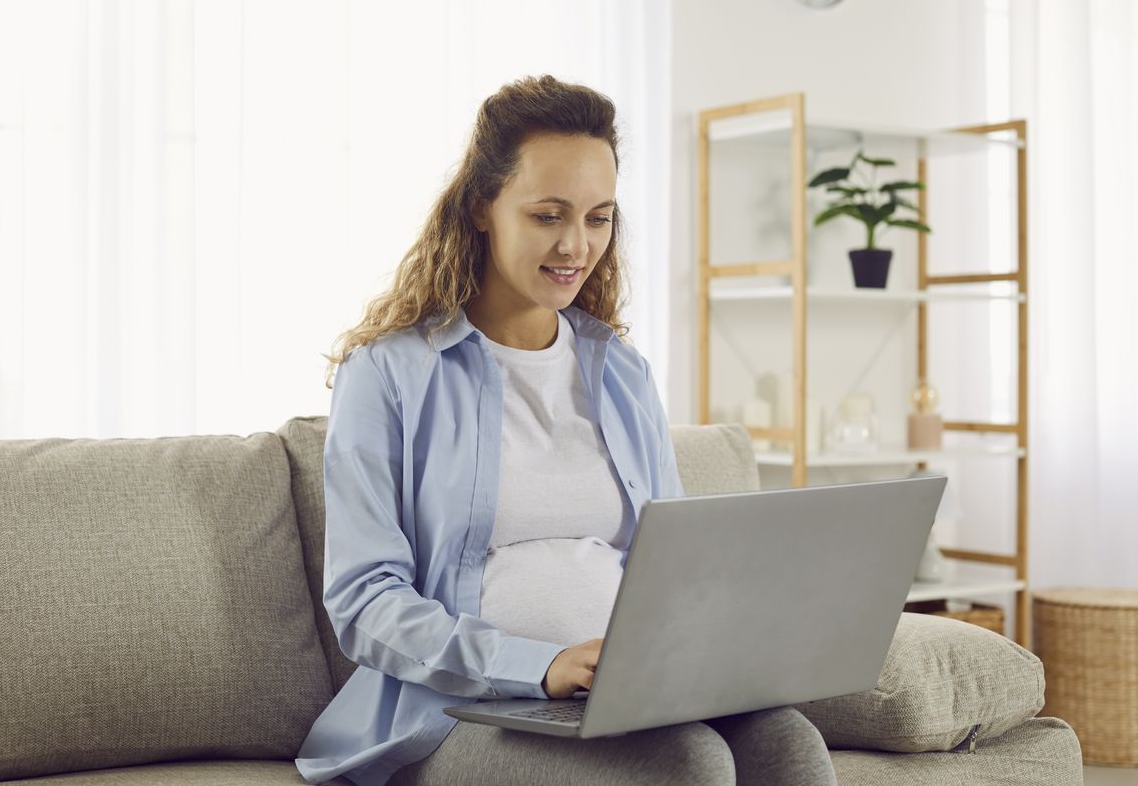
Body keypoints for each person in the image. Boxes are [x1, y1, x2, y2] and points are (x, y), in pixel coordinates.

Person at [295, 75, 837, 786]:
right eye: (549, 215)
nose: (576, 246)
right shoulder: (391, 373)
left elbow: (675, 567)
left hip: (627, 692)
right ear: (483, 207)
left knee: (787, 745)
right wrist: (540, 666)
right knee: (687, 766)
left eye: (599, 217)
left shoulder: (621, 371)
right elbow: (366, 603)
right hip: (463, 709)